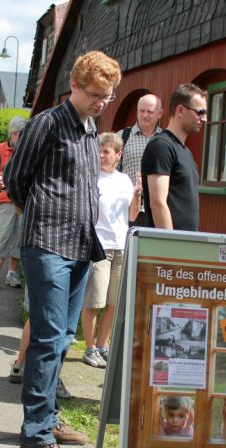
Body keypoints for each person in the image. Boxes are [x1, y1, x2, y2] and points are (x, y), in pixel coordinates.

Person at [6, 50, 122, 448]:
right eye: (95, 95)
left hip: (79, 246)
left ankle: (49, 419)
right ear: (73, 86)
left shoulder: (92, 128)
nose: (101, 103)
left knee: (64, 337)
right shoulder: (47, 124)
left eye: (107, 97)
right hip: (48, 244)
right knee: (49, 338)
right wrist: (42, 213)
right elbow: (16, 179)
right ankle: (35, 436)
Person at [80, 131, 140, 368]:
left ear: (118, 154)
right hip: (99, 247)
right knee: (95, 302)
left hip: (121, 245)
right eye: (99, 151)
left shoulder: (124, 180)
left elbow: (132, 215)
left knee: (114, 303)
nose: (101, 156)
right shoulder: (91, 177)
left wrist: (137, 195)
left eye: (106, 152)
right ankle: (89, 348)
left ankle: (102, 345)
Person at [141, 83, 206, 231]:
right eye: (200, 112)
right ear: (181, 110)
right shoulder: (161, 146)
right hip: (170, 248)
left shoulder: (185, 151)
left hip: (184, 243)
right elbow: (158, 203)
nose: (204, 119)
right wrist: (170, 247)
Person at [0, 116, 27, 292]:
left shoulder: (27, 150)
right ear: (12, 134)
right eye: (20, 135)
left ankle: (12, 274)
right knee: (2, 238)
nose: (23, 138)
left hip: (23, 201)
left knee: (19, 238)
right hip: (5, 201)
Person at [120, 94, 162, 226]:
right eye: (141, 111)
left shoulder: (166, 140)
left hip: (157, 210)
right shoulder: (122, 137)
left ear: (160, 113)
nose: (145, 115)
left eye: (150, 111)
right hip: (128, 209)